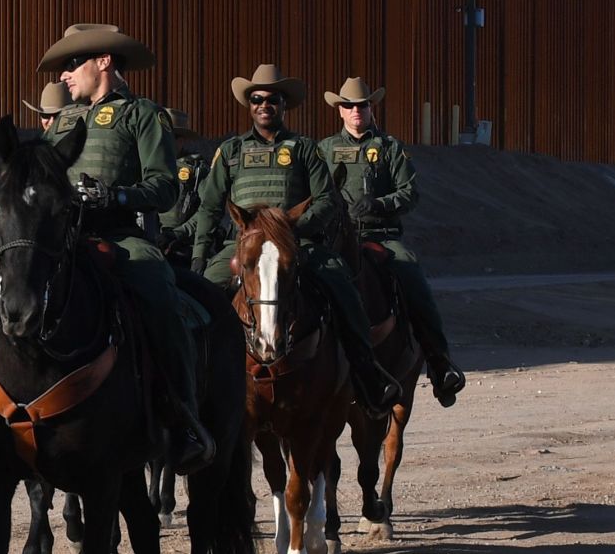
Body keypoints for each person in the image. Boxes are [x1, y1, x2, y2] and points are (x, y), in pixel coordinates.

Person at [0, 23, 215, 476]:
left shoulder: (142, 116)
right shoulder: (65, 122)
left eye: (74, 64)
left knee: (159, 293)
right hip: (58, 241)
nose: (66, 76)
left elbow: (166, 187)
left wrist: (116, 197)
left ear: (105, 62)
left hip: (119, 237)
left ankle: (182, 417)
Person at [189, 63, 403, 413]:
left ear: (283, 104)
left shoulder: (304, 148)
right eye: (257, 98)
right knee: (200, 300)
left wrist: (290, 232)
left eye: (272, 99)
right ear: (249, 104)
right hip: (244, 245)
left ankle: (367, 373)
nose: (264, 104)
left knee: (343, 287)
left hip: (296, 243)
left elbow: (327, 202)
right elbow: (210, 207)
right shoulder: (229, 152)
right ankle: (195, 388)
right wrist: (199, 255)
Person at [322, 76, 465, 406]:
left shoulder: (391, 148)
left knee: (412, 277)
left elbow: (410, 193)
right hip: (336, 239)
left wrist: (379, 204)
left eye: (362, 105)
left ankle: (440, 364)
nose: (356, 110)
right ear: (339, 111)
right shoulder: (324, 150)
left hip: (381, 238)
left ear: (371, 107)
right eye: (349, 105)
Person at [155, 107, 211, 264]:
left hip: (183, 247)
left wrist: (177, 234)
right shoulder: (145, 165)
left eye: (171, 136)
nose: (163, 140)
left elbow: (208, 209)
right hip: (149, 242)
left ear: (183, 140)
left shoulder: (198, 169)